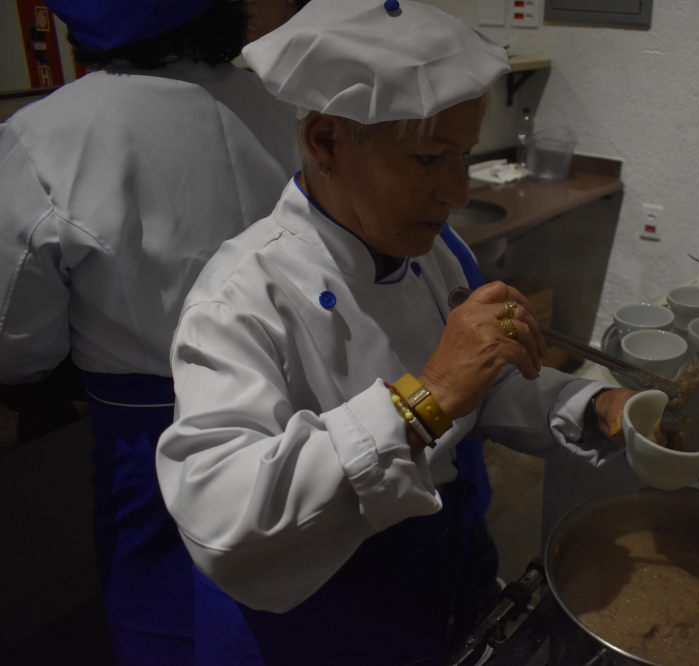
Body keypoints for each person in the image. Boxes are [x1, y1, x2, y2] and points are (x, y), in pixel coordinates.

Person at [154, 1, 659, 663]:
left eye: (463, 156)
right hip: (314, 619)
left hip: (428, 578)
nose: (457, 191)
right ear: (325, 142)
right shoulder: (241, 298)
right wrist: (423, 401)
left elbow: (477, 391)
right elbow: (220, 521)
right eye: (427, 159)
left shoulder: (434, 253)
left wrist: (592, 405)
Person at [0, 1, 303, 663]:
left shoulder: (46, 136)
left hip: (152, 436)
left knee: (169, 625)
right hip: (297, 403)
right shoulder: (289, 108)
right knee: (295, 601)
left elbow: (16, 345)